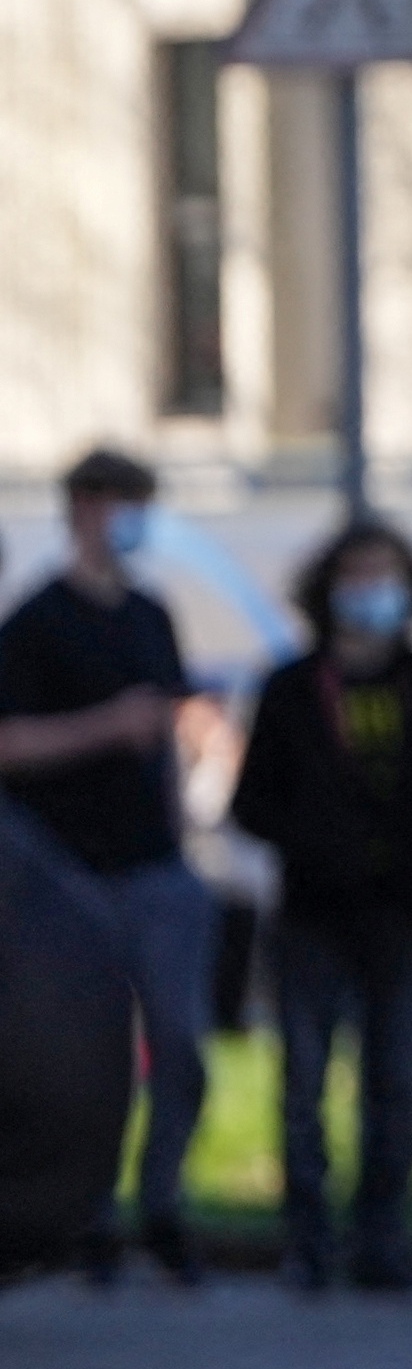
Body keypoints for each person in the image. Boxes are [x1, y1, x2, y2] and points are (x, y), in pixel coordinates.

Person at [230, 518, 412, 1295]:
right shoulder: (291, 689)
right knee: (305, 1079)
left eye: (386, 575)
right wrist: (317, 842)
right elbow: (252, 803)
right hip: (315, 912)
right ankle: (308, 1238)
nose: (372, 593)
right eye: (357, 575)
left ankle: (384, 1236)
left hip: (401, 912)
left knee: (394, 1082)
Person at [0, 447, 210, 1285]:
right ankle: (91, 1209)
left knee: (180, 1041)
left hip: (153, 862)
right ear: (84, 508)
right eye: (120, 501)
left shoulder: (152, 614)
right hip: (67, 868)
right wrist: (105, 726)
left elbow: (175, 716)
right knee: (86, 1050)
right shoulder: (34, 624)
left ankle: (165, 1198)